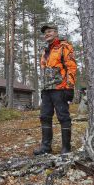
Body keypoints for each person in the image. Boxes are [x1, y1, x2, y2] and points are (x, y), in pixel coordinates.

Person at [33, 23, 77, 155]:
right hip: (46, 90)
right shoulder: (45, 50)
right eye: (45, 32)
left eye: (50, 31)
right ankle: (46, 147)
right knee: (44, 116)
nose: (47, 34)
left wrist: (69, 87)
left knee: (63, 117)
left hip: (60, 88)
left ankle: (66, 148)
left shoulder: (64, 46)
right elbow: (43, 71)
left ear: (56, 33)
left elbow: (72, 67)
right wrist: (42, 89)